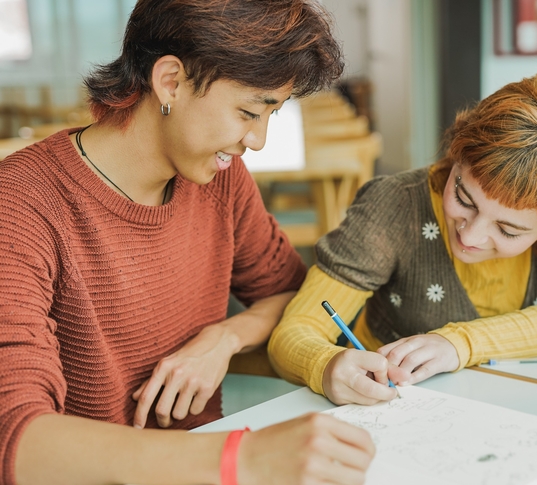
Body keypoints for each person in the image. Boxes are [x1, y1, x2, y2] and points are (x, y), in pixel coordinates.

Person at [0, 1, 375, 484]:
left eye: (270, 115)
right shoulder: (20, 204)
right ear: (171, 82)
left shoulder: (220, 178)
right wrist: (243, 458)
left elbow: (296, 297)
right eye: (248, 111)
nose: (257, 140)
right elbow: (20, 441)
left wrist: (224, 338)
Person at [269, 73, 537, 406]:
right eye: (464, 198)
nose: (471, 234)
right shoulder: (393, 205)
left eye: (508, 230)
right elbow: (293, 334)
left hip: (515, 408)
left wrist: (458, 343)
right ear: (457, 154)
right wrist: (325, 366)